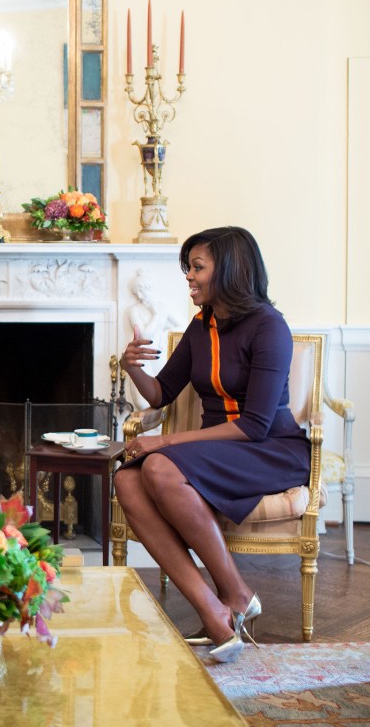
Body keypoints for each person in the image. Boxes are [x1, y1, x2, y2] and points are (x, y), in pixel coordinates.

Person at [114, 226, 309, 663]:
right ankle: (213, 611)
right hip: (219, 449)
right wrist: (131, 367)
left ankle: (237, 594)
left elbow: (255, 426)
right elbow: (161, 393)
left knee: (159, 467)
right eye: (189, 268)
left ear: (230, 270)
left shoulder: (269, 327)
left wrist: (161, 444)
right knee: (127, 483)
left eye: (197, 267)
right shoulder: (201, 325)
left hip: (271, 449)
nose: (189, 276)